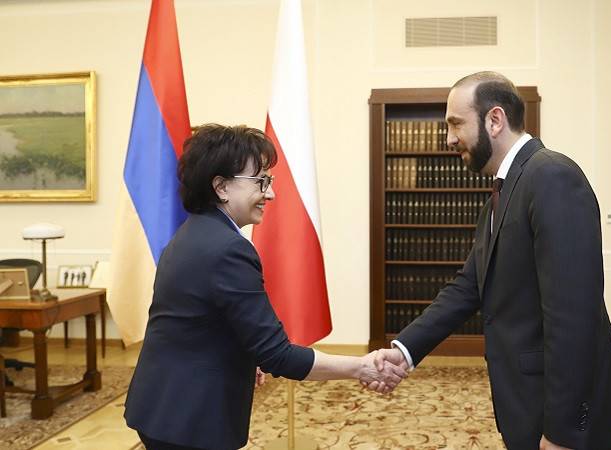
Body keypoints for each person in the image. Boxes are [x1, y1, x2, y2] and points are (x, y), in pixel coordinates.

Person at [374, 72, 611, 450]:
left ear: (494, 120)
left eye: (455, 124)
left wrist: (563, 432)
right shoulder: (501, 195)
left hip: (566, 417)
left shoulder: (551, 176)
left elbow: (573, 318)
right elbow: (468, 288)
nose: (449, 138)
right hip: (529, 402)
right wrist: (403, 351)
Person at [125, 124, 406, 450]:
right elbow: (278, 355)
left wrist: (245, 355)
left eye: (268, 181)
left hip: (162, 405)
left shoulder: (194, 234)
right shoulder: (227, 249)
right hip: (190, 418)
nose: (270, 193)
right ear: (222, 187)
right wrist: (362, 366)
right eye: (260, 181)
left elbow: (199, 323)